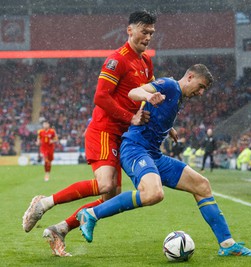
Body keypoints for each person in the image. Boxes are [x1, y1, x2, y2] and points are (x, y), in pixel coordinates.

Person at [22, 11, 175, 257]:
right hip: (105, 130)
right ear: (130, 30)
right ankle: (43, 203)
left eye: (151, 33)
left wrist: (166, 123)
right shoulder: (117, 59)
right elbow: (100, 97)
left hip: (124, 135)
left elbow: (151, 95)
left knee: (109, 198)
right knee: (106, 184)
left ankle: (60, 229)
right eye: (144, 32)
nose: (148, 37)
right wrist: (130, 117)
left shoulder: (146, 62)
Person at [77, 64, 251, 256]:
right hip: (135, 149)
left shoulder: (178, 97)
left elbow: (158, 114)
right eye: (201, 86)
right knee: (153, 193)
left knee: (202, 185)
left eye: (204, 89)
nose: (201, 92)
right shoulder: (170, 85)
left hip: (153, 154)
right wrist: (148, 96)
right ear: (189, 77)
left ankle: (227, 244)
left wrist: (168, 129)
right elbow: (134, 92)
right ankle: (91, 214)